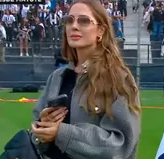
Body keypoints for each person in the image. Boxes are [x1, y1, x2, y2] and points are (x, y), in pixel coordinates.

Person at [30, 0, 141, 159]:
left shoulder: (119, 79)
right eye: (69, 20)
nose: (74, 26)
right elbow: (37, 137)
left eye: (83, 20)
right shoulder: (56, 78)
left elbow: (121, 145)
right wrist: (42, 128)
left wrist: (61, 133)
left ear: (100, 31)